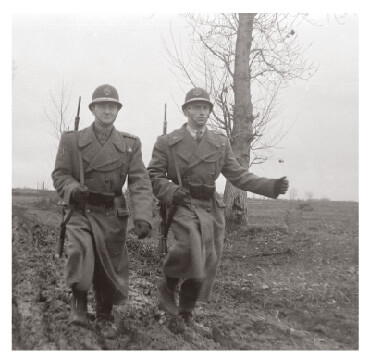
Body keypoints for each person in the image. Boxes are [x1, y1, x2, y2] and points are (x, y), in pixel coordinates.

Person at [147, 87, 289, 325]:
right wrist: (172, 191)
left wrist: (270, 186)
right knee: (189, 244)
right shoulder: (167, 142)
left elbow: (238, 175)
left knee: (207, 259)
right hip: (183, 203)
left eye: (205, 108)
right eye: (196, 107)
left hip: (210, 206)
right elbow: (153, 175)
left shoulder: (219, 143)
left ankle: (186, 313)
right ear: (186, 111)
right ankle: (168, 286)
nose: (201, 113)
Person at [52, 84, 153, 338]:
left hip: (112, 214)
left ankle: (105, 314)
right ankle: (78, 304)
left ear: (117, 110)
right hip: (82, 210)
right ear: (93, 109)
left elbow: (140, 181)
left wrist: (143, 216)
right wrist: (73, 189)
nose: (107, 111)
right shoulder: (72, 140)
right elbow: (60, 175)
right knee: (81, 251)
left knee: (110, 266)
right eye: (102, 106)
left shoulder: (130, 144)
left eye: (112, 106)